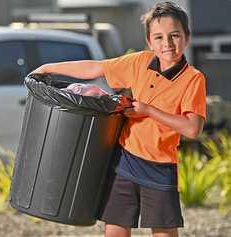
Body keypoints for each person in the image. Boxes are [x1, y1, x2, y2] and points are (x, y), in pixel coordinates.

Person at [32, 1, 206, 237]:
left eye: (174, 35)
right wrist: (49, 68)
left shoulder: (193, 79)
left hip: (160, 168)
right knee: (114, 231)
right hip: (125, 162)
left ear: (186, 37)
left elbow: (192, 129)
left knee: (164, 233)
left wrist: (149, 110)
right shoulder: (139, 62)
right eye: (158, 37)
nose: (167, 44)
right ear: (149, 42)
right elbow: (96, 68)